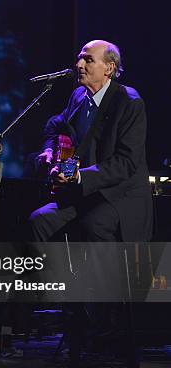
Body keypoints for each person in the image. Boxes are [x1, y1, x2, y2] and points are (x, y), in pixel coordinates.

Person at [30, 40, 152, 243]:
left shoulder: (129, 103)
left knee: (93, 224)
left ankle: (106, 276)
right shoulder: (78, 96)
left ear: (109, 68)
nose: (79, 65)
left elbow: (126, 162)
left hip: (120, 195)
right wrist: (49, 151)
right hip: (86, 192)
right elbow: (54, 126)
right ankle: (56, 276)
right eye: (79, 58)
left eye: (88, 60)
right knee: (40, 220)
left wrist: (79, 177)